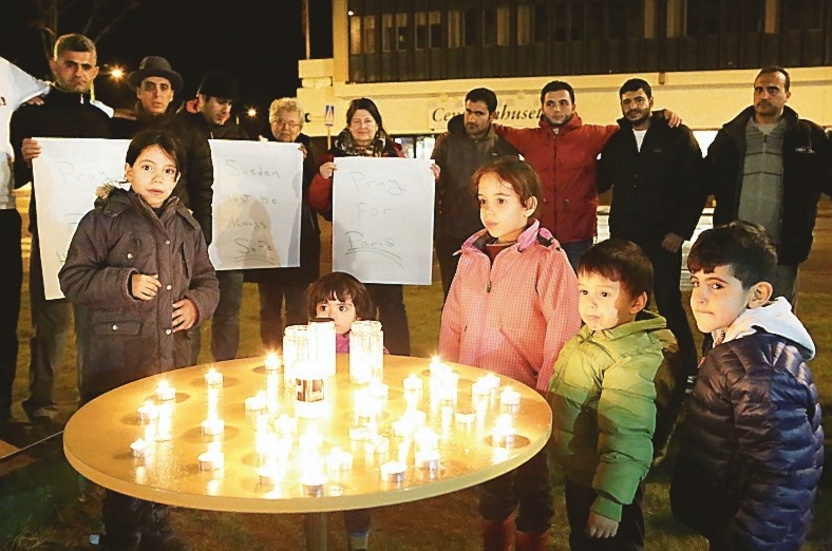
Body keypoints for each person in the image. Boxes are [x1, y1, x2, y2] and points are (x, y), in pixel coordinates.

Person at [59, 129, 219, 549]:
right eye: (147, 167)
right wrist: (124, 283)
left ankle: (156, 525)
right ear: (128, 170)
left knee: (166, 440)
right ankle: (121, 532)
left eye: (167, 170)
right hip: (120, 361)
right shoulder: (102, 221)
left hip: (171, 360)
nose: (157, 178)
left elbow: (207, 280)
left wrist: (197, 305)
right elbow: (73, 278)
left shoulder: (187, 226)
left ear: (177, 178)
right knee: (124, 447)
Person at [438, 157, 581, 549]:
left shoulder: (548, 259)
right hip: (480, 393)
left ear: (529, 205)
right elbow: (452, 321)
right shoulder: (470, 257)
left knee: (532, 486)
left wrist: (546, 389)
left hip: (526, 395)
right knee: (492, 485)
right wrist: (452, 379)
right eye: (484, 201)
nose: (489, 211)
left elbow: (564, 329)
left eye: (501, 200)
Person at [670, 221, 823, 550]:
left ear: (758, 295)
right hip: (732, 516)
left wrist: (751, 539)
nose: (699, 297)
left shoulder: (758, 369)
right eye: (696, 283)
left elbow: (782, 476)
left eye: (717, 286)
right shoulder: (735, 344)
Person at [548, 238, 685, 551]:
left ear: (636, 303)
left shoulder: (632, 360)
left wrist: (610, 502)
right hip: (584, 474)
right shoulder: (596, 338)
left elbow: (628, 437)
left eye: (604, 294)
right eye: (584, 291)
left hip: (609, 485)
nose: (590, 303)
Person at [9, 33, 112, 421]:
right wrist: (24, 157)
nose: (79, 72)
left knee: (94, 324)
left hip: (98, 242)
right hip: (51, 235)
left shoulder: (102, 119)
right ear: (54, 67)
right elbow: (17, 178)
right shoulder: (30, 114)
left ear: (96, 70)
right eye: (70, 64)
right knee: (50, 324)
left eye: (86, 66)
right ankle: (41, 404)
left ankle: (92, 400)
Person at [310, 97, 436, 356]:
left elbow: (412, 197)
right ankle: (356, 356)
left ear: (378, 125)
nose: (362, 126)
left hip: (390, 249)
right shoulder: (335, 157)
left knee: (392, 305)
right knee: (355, 306)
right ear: (348, 126)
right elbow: (319, 203)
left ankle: (399, 359)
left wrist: (428, 178)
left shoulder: (395, 155)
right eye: (356, 121)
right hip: (352, 248)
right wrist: (322, 178)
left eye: (368, 120)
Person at [598, 77, 705, 376]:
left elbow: (695, 186)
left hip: (664, 239)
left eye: (638, 100)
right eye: (627, 102)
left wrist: (681, 231)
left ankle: (687, 369)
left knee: (669, 302)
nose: (633, 107)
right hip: (626, 238)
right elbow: (599, 178)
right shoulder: (617, 141)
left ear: (651, 102)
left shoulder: (676, 135)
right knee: (628, 303)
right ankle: (632, 366)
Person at [704, 66, 832, 305]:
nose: (764, 96)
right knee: (729, 314)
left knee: (778, 318)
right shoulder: (730, 137)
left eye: (772, 90)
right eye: (758, 90)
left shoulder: (807, 137)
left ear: (787, 95)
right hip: (735, 249)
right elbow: (700, 181)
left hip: (783, 250)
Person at [304, 271, 377, 550]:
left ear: (358, 315)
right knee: (312, 492)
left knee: (357, 491)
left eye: (342, 307)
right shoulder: (307, 344)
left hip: (354, 429)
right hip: (317, 428)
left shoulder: (367, 345)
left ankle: (358, 541)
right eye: (324, 307)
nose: (331, 315)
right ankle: (315, 538)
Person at [179, 71, 248, 362]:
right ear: (201, 99)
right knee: (190, 313)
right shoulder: (181, 131)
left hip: (229, 242)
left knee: (228, 314)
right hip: (193, 242)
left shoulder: (237, 136)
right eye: (220, 102)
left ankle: (225, 371)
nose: (226, 110)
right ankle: (187, 373)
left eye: (230, 104)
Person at [248, 97, 321, 350]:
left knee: (297, 308)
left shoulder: (309, 150)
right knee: (268, 306)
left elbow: (316, 192)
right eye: (280, 122)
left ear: (300, 127)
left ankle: (296, 354)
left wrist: (307, 163)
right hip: (266, 241)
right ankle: (272, 355)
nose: (286, 128)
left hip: (298, 241)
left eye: (292, 123)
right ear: (271, 123)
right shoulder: (257, 149)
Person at [431, 87, 518, 299]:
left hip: (491, 233)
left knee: (490, 294)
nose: (471, 118)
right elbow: (434, 187)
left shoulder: (505, 147)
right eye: (469, 111)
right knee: (453, 295)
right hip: (452, 233)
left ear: (492, 116)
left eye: (479, 113)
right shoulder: (446, 143)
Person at [0, 57, 48, 422]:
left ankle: (1, 412)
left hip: (1, 210)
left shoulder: (7, 73)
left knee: (6, 319)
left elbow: (47, 89)